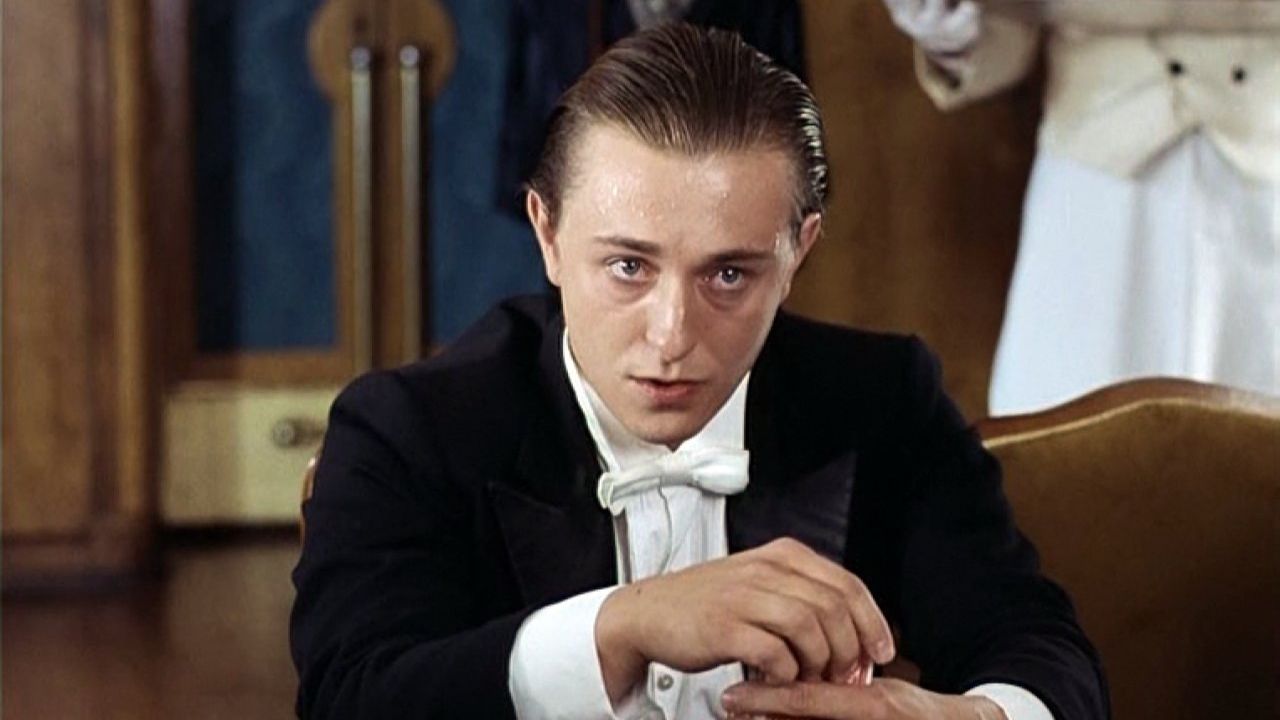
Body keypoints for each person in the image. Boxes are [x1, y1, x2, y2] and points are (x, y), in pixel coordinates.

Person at [291, 23, 1107, 720]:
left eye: (728, 275)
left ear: (798, 253)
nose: (672, 335)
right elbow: (350, 697)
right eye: (628, 268)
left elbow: (1038, 648)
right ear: (548, 234)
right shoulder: (409, 428)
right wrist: (620, 627)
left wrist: (969, 716)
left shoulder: (885, 399)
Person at [883, 0, 1280, 415]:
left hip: (1265, 175)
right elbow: (1009, 33)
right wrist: (948, 26)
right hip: (1092, 186)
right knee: (1056, 430)